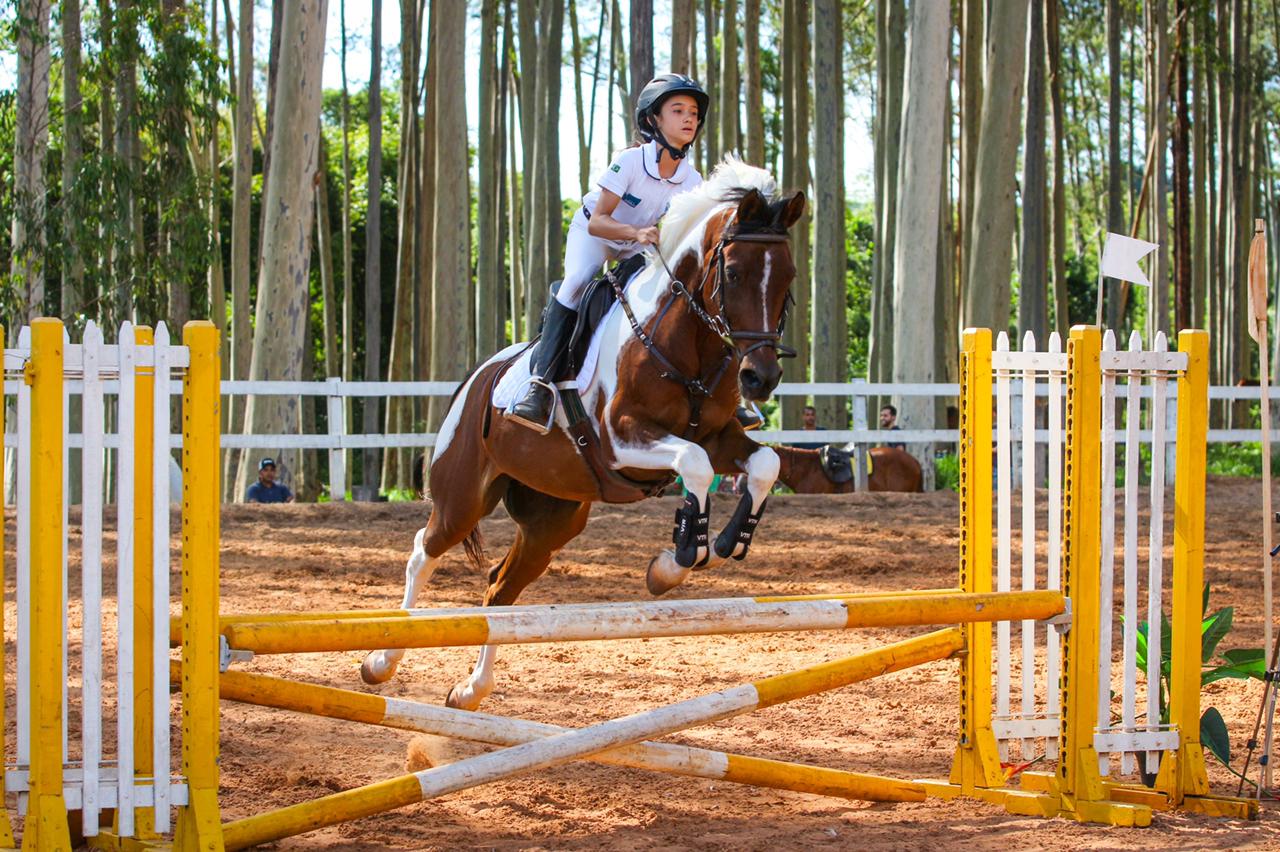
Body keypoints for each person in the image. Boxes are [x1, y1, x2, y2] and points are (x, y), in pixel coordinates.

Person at [506, 73, 709, 433]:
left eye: (693, 112)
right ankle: (539, 385)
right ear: (653, 120)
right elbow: (600, 221)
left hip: (639, 244)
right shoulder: (630, 163)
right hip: (595, 233)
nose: (689, 118)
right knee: (576, 284)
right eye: (677, 110)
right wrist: (635, 233)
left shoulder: (693, 182)